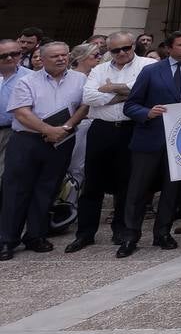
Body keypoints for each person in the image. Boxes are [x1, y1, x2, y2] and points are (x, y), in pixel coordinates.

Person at [119, 30, 181, 258]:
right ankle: (130, 235)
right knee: (138, 189)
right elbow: (131, 105)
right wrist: (147, 113)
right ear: (168, 48)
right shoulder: (151, 71)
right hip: (150, 137)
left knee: (172, 190)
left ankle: (163, 233)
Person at [0, 42, 87, 261]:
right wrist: (48, 130)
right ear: (43, 59)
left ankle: (36, 235)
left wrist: (64, 129)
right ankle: (7, 240)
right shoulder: (26, 81)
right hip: (27, 140)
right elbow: (21, 112)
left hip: (62, 140)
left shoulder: (80, 79)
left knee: (47, 189)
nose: (61, 59)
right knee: (16, 191)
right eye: (55, 56)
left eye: (64, 55)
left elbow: (84, 106)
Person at [68, 32, 152, 253]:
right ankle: (85, 233)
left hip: (130, 129)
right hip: (101, 130)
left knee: (127, 184)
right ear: (109, 50)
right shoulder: (99, 69)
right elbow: (89, 98)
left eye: (126, 48)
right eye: (116, 50)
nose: (122, 53)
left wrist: (110, 88)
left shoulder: (148, 66)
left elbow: (143, 91)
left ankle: (122, 230)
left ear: (133, 46)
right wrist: (123, 92)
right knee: (92, 183)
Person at [0, 39, 34, 197]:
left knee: (5, 176)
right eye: (3, 55)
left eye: (14, 54)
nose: (9, 58)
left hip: (13, 132)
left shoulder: (31, 78)